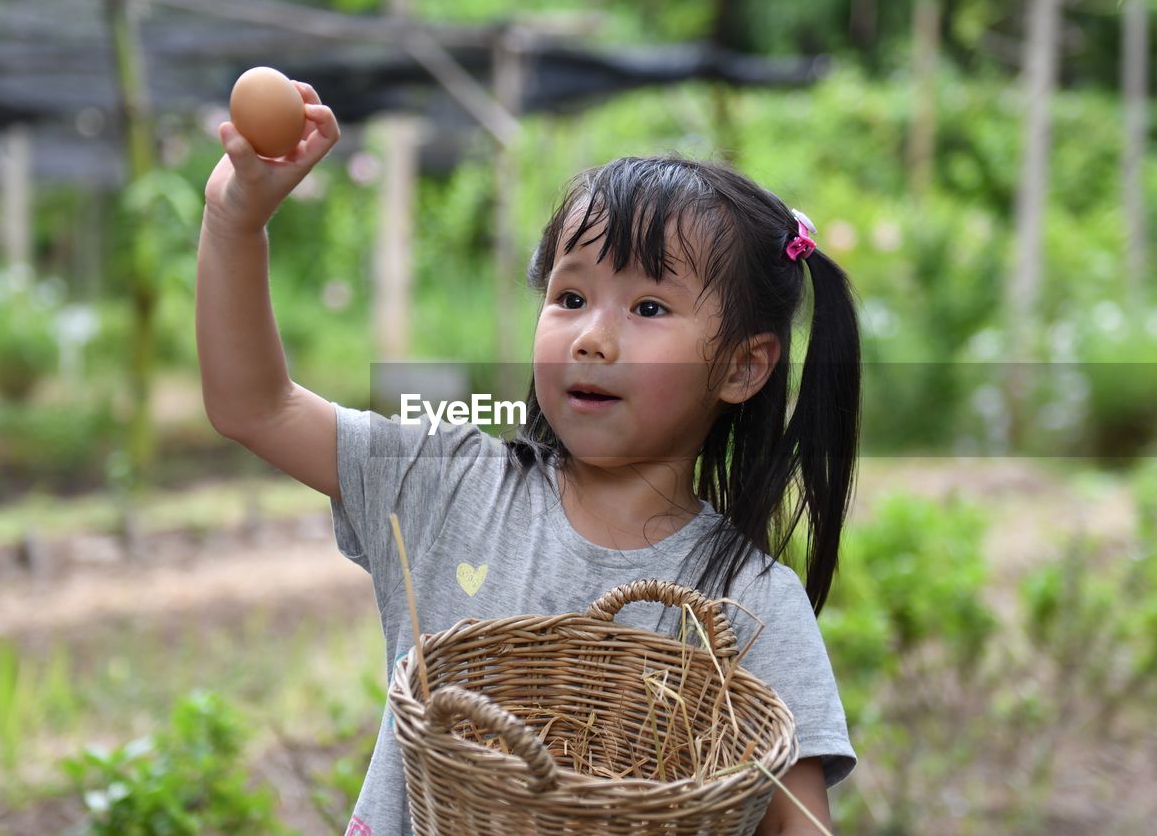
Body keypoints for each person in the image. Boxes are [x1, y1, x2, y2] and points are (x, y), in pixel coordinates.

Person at [197, 79, 861, 836]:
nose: (592, 338)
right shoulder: (447, 485)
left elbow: (800, 824)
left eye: (648, 307)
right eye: (570, 297)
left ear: (743, 366)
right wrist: (234, 220)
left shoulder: (751, 606)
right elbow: (256, 407)